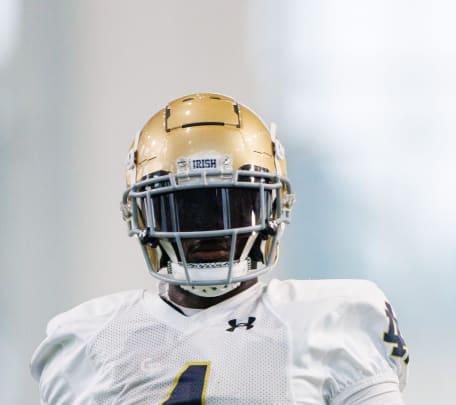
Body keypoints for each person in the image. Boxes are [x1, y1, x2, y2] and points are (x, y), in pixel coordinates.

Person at [30, 93, 409, 404]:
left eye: (233, 202)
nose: (212, 227)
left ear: (270, 207)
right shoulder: (89, 339)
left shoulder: (334, 319)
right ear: (145, 216)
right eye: (187, 209)